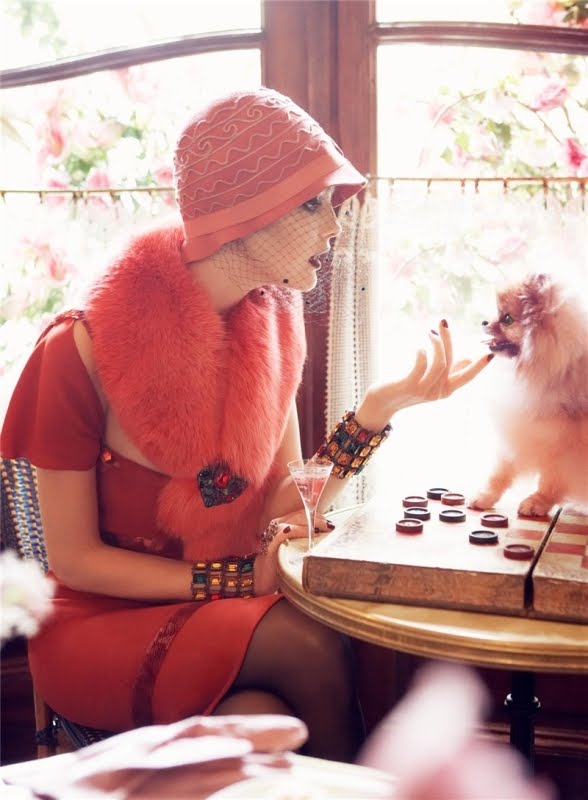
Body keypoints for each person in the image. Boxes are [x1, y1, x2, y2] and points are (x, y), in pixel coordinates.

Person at [0, 87, 492, 762]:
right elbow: (74, 560)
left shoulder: (274, 329)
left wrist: (375, 415)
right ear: (243, 213)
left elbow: (282, 503)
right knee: (310, 642)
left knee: (261, 723)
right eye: (313, 204)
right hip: (98, 624)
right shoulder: (78, 350)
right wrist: (230, 582)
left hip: (216, 612)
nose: (334, 228)